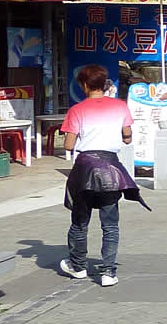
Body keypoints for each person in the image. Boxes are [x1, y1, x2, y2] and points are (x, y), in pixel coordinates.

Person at [59, 65, 149, 287]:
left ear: (84, 85)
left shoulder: (77, 110)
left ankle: (78, 266)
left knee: (80, 222)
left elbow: (69, 144)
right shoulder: (120, 107)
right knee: (110, 225)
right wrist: (120, 137)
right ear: (104, 84)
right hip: (111, 168)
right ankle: (108, 272)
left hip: (85, 169)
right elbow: (127, 135)